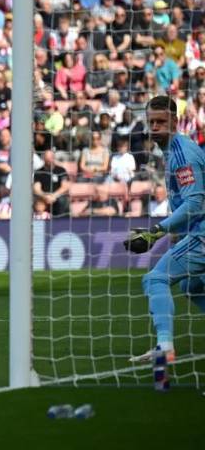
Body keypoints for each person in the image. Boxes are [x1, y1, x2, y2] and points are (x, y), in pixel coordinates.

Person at [121, 95, 205, 363]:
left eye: (161, 121)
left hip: (202, 235)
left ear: (175, 122)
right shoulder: (172, 150)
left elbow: (194, 203)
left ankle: (165, 346)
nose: (155, 127)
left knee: (155, 279)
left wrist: (156, 231)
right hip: (197, 233)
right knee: (193, 285)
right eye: (151, 122)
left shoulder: (182, 153)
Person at [33, 149, 70, 218]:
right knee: (37, 203)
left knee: (62, 200)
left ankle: (60, 222)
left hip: (57, 196)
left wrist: (54, 196)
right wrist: (45, 196)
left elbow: (65, 187)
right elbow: (36, 189)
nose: (50, 160)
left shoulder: (61, 170)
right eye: (48, 158)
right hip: (44, 197)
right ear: (44, 159)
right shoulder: (39, 172)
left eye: (51, 158)